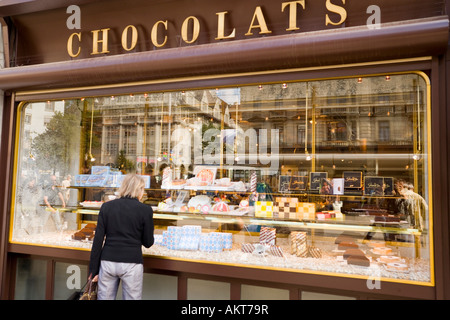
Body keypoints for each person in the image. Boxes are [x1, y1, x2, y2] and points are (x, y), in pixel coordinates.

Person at [88, 174, 154, 300]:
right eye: (143, 189)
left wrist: (94, 270)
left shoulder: (107, 207)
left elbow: (98, 241)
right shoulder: (145, 210)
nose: (143, 192)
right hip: (132, 262)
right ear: (139, 189)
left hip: (108, 261)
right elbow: (148, 242)